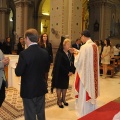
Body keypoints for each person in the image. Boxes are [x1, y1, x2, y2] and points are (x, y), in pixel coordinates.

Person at [15, 28, 49, 120]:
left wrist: (19, 65)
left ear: (27, 38)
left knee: (30, 115)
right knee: (41, 112)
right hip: (41, 87)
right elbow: (46, 69)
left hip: (29, 90)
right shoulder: (44, 52)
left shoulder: (24, 54)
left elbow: (18, 72)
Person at [74, 30, 100, 118]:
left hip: (85, 75)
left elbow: (79, 61)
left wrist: (75, 55)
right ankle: (91, 109)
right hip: (92, 74)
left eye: (81, 36)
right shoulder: (95, 46)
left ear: (84, 36)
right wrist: (78, 51)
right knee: (91, 89)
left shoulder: (85, 47)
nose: (81, 38)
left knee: (84, 92)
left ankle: (84, 111)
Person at [51, 37, 75, 108]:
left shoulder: (69, 53)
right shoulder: (60, 53)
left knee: (65, 87)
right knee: (59, 87)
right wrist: (67, 72)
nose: (69, 46)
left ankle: (64, 99)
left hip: (67, 74)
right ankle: (59, 101)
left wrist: (71, 71)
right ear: (64, 45)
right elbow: (59, 65)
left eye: (69, 44)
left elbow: (71, 62)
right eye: (67, 44)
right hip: (60, 73)